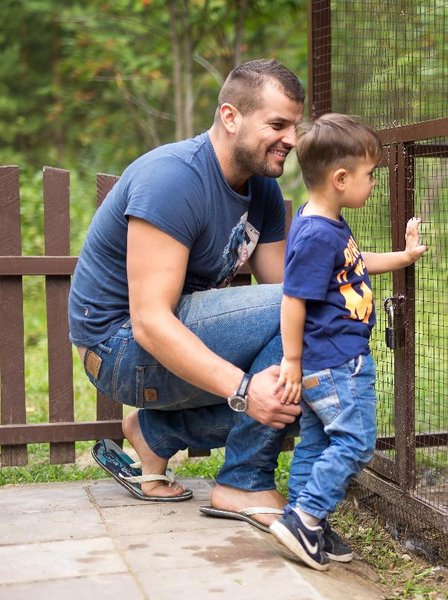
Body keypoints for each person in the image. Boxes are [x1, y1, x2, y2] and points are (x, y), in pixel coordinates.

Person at [68, 58, 304, 527]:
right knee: (301, 312)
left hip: (169, 339)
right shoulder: (173, 178)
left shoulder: (263, 191)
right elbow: (150, 322)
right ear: (230, 116)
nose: (292, 139)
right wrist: (244, 391)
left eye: (295, 126)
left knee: (310, 360)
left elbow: (284, 286)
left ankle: (156, 433)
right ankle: (243, 481)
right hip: (118, 349)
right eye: (278, 125)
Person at [269, 113, 427, 570]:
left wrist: (403, 256)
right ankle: (304, 518)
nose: (374, 183)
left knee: (317, 443)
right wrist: (291, 360)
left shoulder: (324, 222)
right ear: (340, 179)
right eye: (370, 174)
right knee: (356, 443)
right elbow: (293, 298)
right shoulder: (318, 233)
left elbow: (353, 265)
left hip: (327, 361)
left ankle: (306, 524)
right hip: (337, 363)